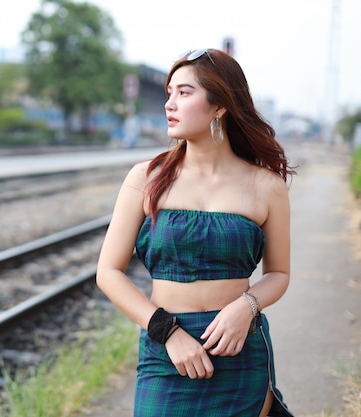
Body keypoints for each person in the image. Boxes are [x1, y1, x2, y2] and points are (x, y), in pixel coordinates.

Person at [96, 48, 295, 417]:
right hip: (166, 352)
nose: (170, 104)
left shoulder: (266, 186)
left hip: (239, 349)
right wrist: (168, 333)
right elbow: (108, 273)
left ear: (220, 106)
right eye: (169, 93)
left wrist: (245, 307)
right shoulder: (147, 177)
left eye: (184, 93)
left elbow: (279, 274)